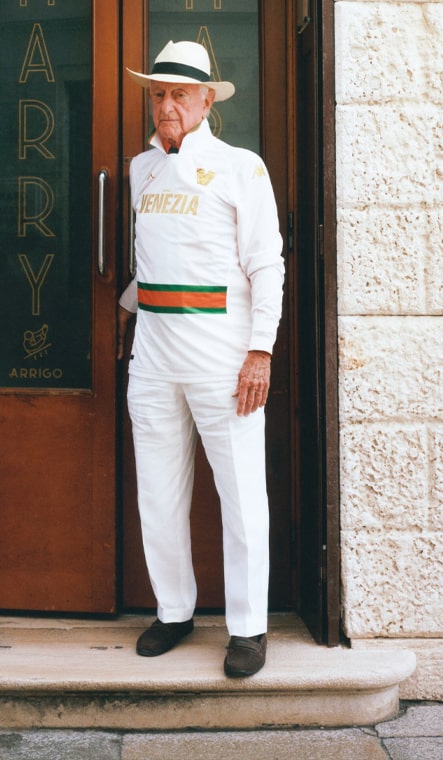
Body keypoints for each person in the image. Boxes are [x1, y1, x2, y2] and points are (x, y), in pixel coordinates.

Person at [117, 40, 284, 678]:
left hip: (223, 359)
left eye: (180, 94)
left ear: (206, 100)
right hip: (155, 358)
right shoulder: (141, 169)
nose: (167, 105)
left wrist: (260, 350)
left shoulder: (242, 167)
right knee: (158, 492)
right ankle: (173, 611)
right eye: (158, 93)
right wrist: (124, 310)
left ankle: (248, 628)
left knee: (241, 494)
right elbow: (158, 259)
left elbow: (265, 265)